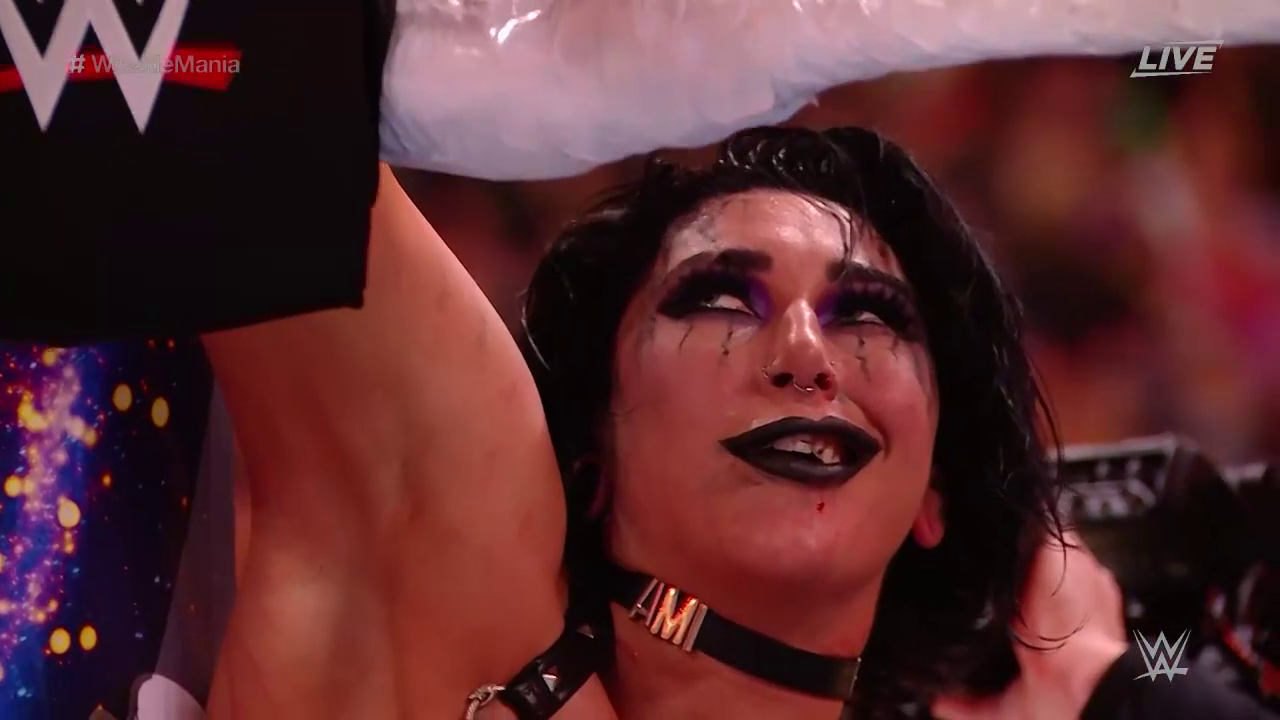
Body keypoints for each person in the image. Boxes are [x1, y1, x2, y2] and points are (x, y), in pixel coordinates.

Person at [203, 126, 1276, 720]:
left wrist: (1113, 689)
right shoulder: (444, 612)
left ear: (934, 495)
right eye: (719, 299)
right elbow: (224, 91)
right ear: (590, 455)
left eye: (869, 315)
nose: (805, 353)